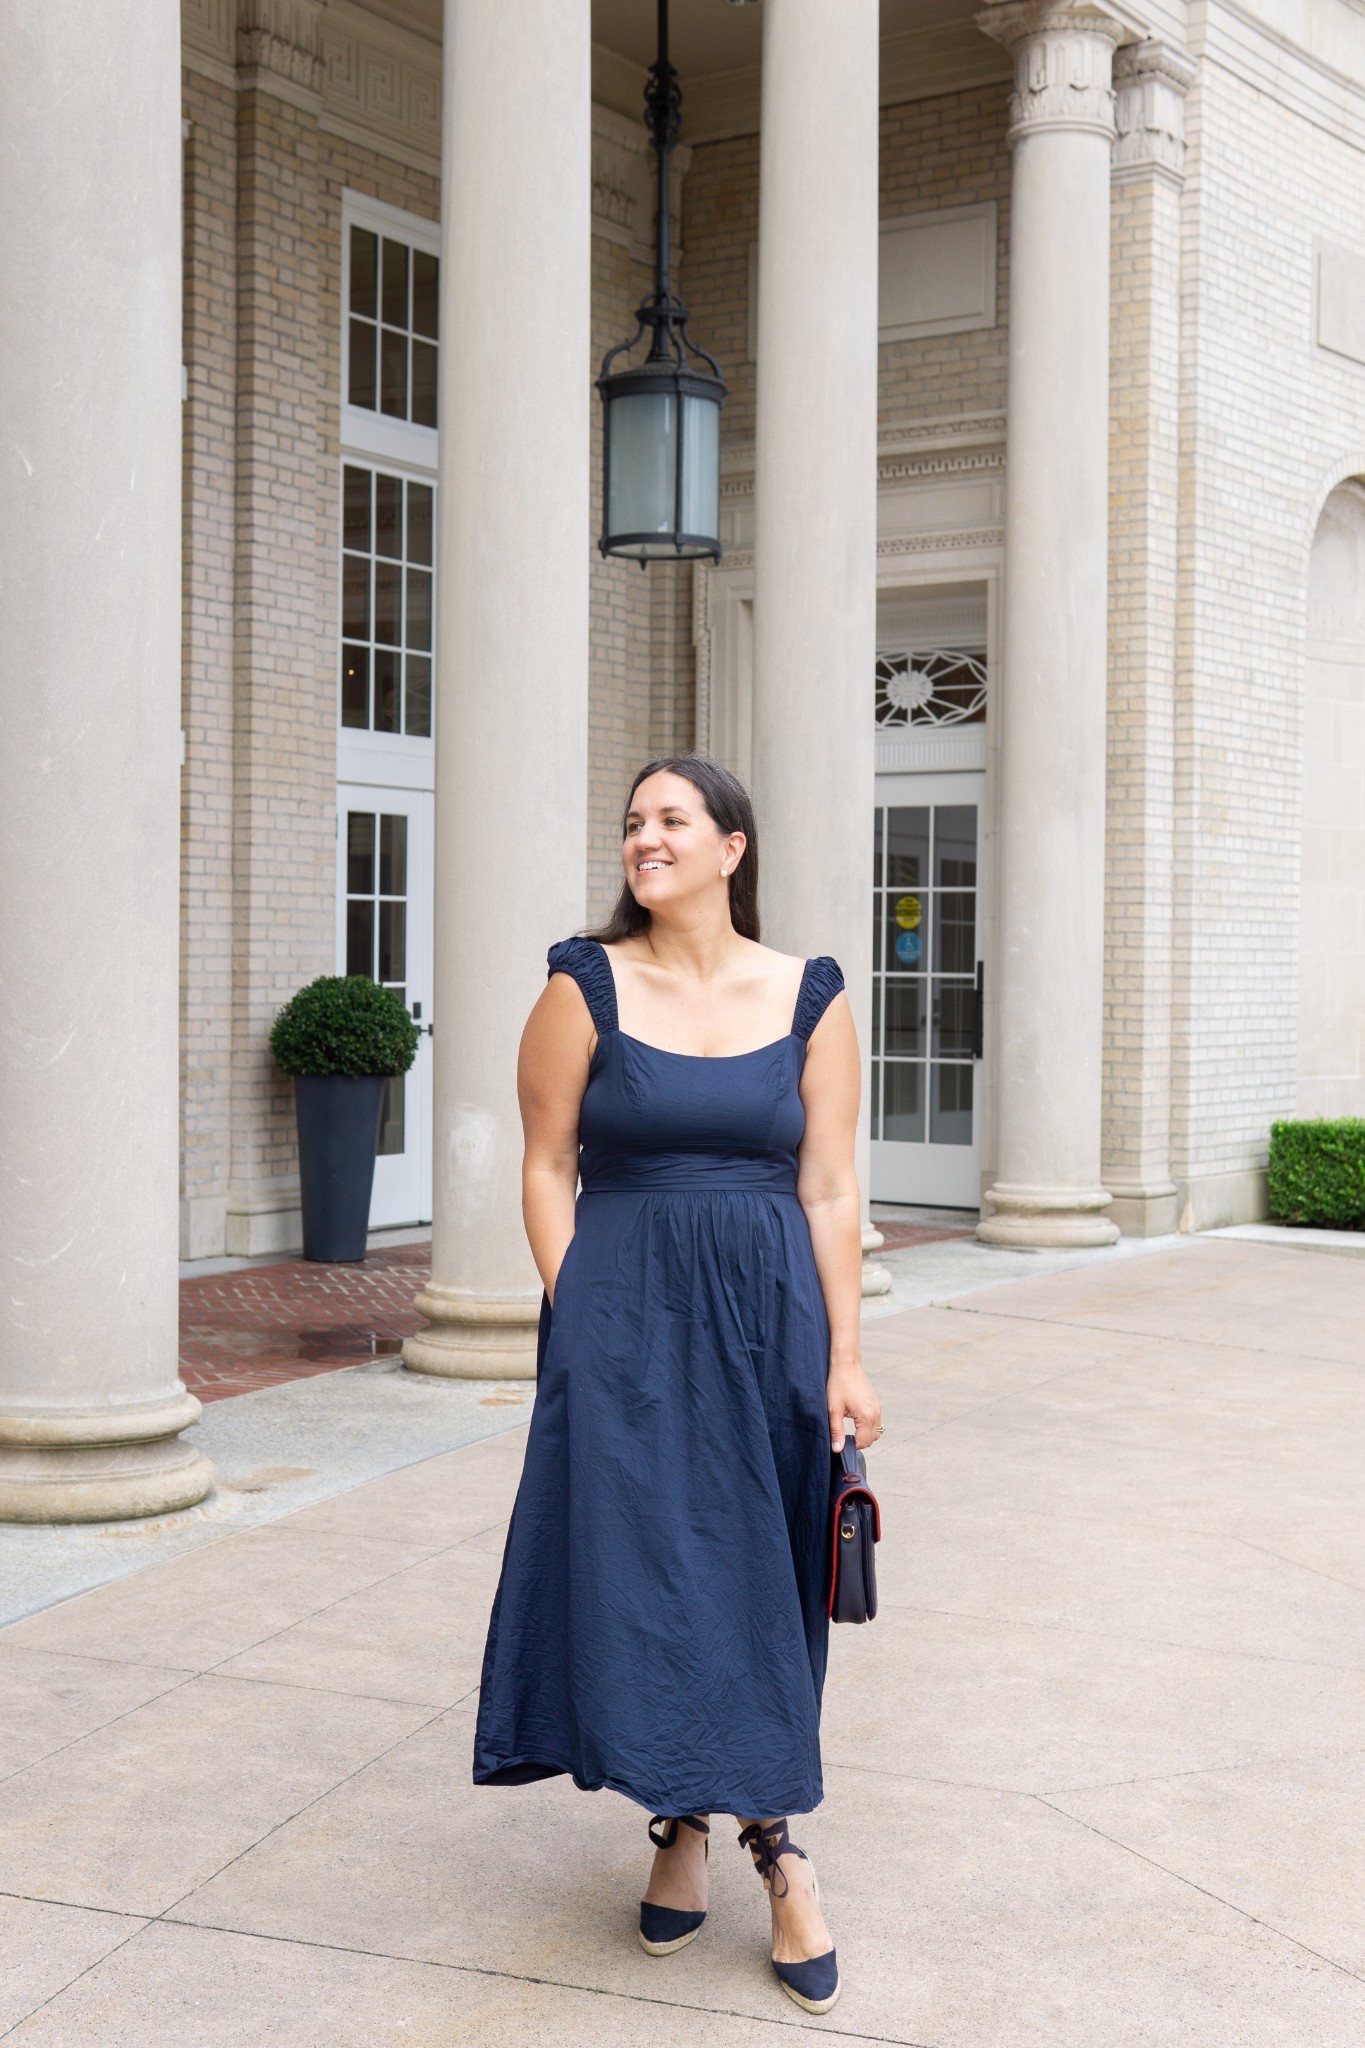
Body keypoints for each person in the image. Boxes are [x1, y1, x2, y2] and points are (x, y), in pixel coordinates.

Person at [472, 752, 882, 2017]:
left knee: (762, 1576)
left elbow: (828, 1185)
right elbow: (546, 1162)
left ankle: (776, 1840)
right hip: (625, 1322)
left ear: (730, 847)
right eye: (634, 822)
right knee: (649, 1573)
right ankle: (681, 1822)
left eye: (671, 820)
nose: (645, 839)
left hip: (770, 1318)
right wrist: (573, 1300)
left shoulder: (810, 992)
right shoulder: (581, 983)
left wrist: (848, 1352)